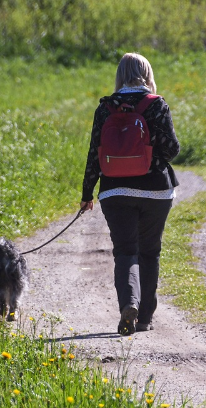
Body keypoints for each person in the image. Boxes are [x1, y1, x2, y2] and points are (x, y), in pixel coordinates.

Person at [80, 52, 180, 335]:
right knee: (150, 252)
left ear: (120, 76)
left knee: (125, 251)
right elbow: (172, 149)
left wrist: (87, 193)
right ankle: (145, 318)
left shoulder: (105, 108)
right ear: (147, 74)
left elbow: (94, 155)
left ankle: (129, 305)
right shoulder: (156, 105)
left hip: (115, 190)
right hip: (156, 192)